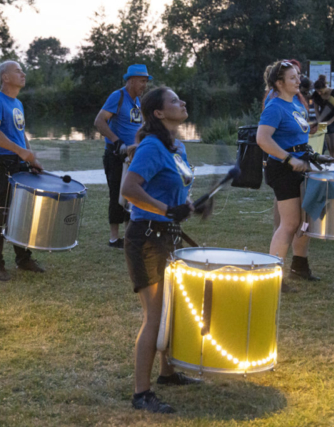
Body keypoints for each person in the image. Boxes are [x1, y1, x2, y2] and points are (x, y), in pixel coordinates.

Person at [121, 87, 201, 414]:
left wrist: (188, 205)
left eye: (181, 99)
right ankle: (142, 394)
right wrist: (166, 209)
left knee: (171, 309)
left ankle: (167, 373)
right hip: (147, 238)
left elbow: (173, 189)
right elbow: (129, 189)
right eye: (173, 101)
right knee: (154, 316)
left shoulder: (176, 146)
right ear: (158, 113)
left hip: (167, 236)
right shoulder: (152, 145)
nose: (182, 102)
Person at [256, 61, 321, 293]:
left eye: (298, 76)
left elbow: (296, 133)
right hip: (283, 169)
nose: (298, 80)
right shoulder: (274, 107)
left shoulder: (295, 103)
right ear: (279, 83)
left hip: (301, 164)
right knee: (290, 223)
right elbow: (262, 139)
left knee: (305, 220)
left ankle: (300, 266)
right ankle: (272, 276)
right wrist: (288, 159)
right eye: (292, 77)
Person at [0, 60, 45, 281]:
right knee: (1, 212)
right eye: (18, 71)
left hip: (18, 163)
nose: (23, 74)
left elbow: (21, 133)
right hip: (2, 164)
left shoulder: (17, 103)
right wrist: (20, 151)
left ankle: (23, 259)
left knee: (22, 213)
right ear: (5, 77)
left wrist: (30, 157)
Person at [94, 64, 150, 249]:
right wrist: (117, 141)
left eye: (146, 81)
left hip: (134, 156)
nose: (144, 85)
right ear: (131, 80)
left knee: (131, 195)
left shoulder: (138, 101)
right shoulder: (117, 96)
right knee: (117, 195)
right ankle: (113, 238)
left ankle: (129, 236)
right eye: (142, 81)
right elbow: (99, 121)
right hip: (116, 156)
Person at [312, 74, 334, 158]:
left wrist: (330, 121)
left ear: (325, 87)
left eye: (321, 91)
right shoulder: (316, 95)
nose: (319, 93)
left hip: (333, 121)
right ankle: (330, 165)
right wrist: (319, 120)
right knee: (329, 147)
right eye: (317, 91)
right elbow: (316, 109)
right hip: (323, 122)